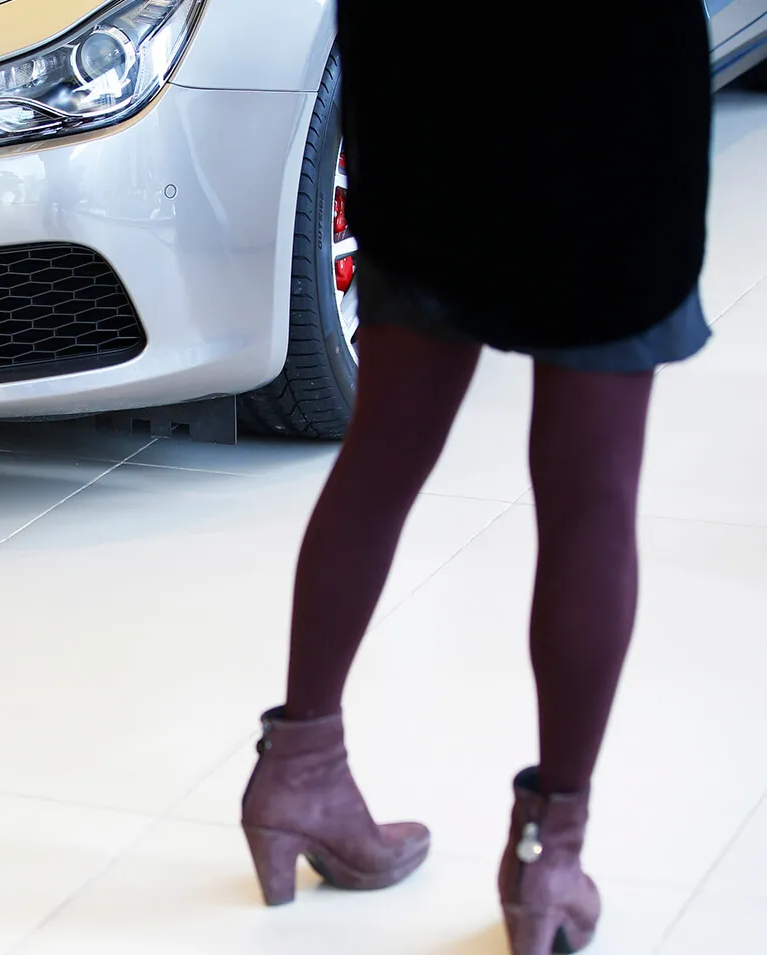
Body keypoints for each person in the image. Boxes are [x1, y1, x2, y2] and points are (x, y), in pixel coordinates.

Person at [238, 3, 715, 954]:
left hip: (432, 84)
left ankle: (299, 769)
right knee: (590, 498)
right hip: (610, 96)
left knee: (382, 453)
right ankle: (548, 856)